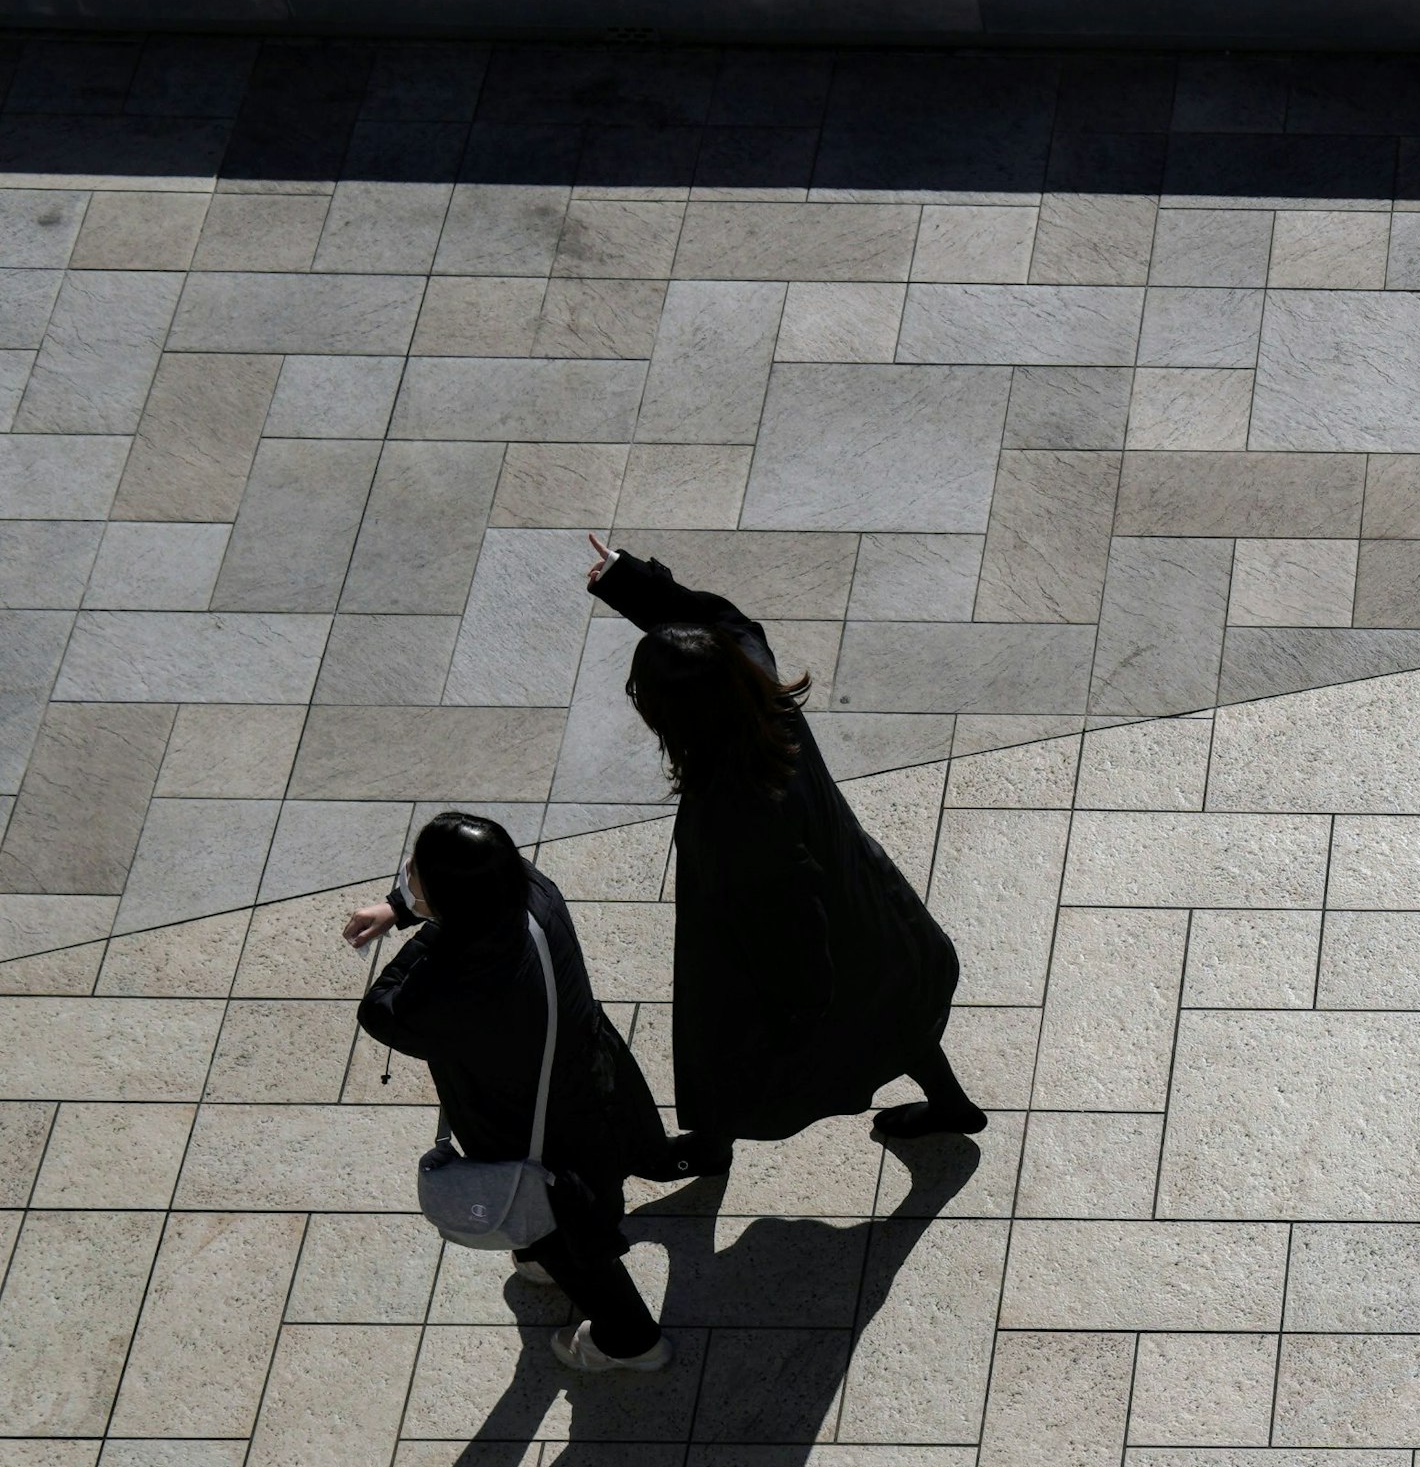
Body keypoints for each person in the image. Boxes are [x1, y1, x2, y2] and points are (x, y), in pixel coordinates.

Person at [586, 535, 981, 1174]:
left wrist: (798, 1011)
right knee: (897, 1012)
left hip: (800, 958)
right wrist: (629, 581)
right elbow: (727, 624)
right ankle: (951, 1104)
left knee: (721, 1055)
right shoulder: (763, 695)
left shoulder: (733, 807)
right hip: (863, 905)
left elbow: (785, 921)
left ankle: (711, 1149)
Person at [346, 811, 672, 1373]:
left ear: (453, 904)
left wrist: (421, 917)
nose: (407, 878)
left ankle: (630, 1340)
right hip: (585, 1072)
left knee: (568, 1235)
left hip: (528, 1127)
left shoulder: (467, 977)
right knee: (585, 1195)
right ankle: (546, 1253)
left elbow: (383, 1011)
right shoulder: (531, 890)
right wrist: (404, 908)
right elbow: (476, 893)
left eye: (416, 876)